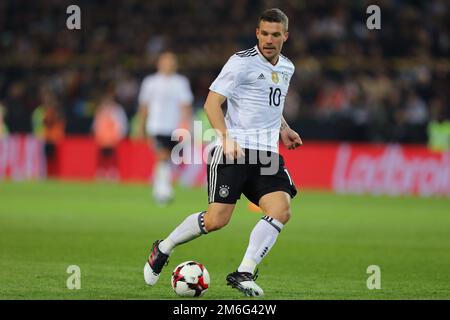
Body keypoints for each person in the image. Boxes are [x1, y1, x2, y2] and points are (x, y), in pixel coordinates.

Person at [144, 8, 302, 297]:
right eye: (264, 33)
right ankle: (164, 247)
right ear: (257, 33)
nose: (269, 39)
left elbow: (270, 107)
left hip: (266, 153)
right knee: (218, 220)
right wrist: (226, 138)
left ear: (285, 36)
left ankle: (243, 272)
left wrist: (284, 129)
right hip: (234, 150)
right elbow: (211, 104)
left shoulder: (287, 68)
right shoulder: (240, 63)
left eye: (275, 34)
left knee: (281, 209)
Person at [137, 52, 194, 204]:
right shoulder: (151, 82)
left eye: (171, 62)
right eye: (166, 61)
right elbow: (144, 106)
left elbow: (186, 105)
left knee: (168, 158)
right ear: (159, 63)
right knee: (162, 156)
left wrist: (187, 124)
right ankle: (163, 191)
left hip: (174, 126)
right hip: (156, 126)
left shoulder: (181, 82)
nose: (169, 64)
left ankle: (160, 187)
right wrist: (141, 126)